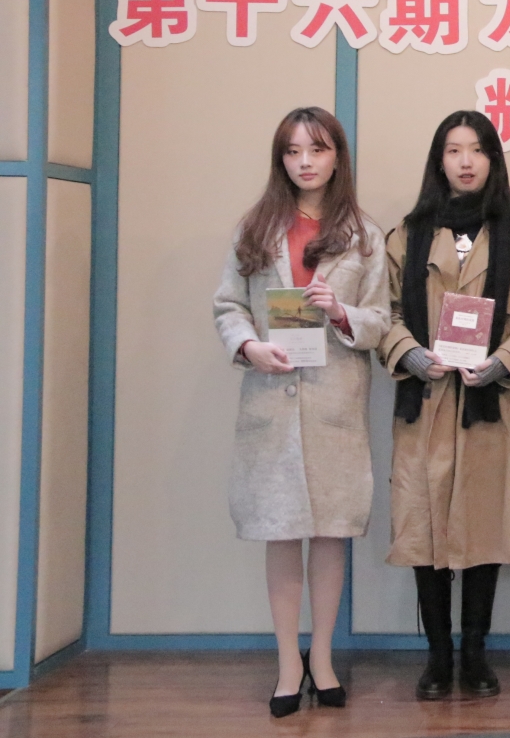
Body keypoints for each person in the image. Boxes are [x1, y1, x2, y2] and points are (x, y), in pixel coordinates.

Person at [213, 106, 389, 718]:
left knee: (331, 530)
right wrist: (249, 346)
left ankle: (324, 657)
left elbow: (381, 321)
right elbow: (229, 306)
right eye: (292, 151)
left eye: (316, 149)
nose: (305, 162)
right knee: (281, 529)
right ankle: (289, 661)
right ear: (280, 159)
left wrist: (340, 311)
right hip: (272, 395)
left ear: (337, 156)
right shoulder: (256, 227)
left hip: (334, 399)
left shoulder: (364, 234)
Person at [378, 110, 510, 701]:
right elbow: (384, 312)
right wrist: (408, 353)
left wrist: (505, 359)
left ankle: (475, 653)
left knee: (486, 525)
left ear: (492, 160)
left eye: (476, 149)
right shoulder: (407, 235)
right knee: (425, 529)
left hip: (492, 402)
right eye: (453, 150)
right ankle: (437, 655)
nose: (465, 161)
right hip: (427, 399)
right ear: (439, 161)